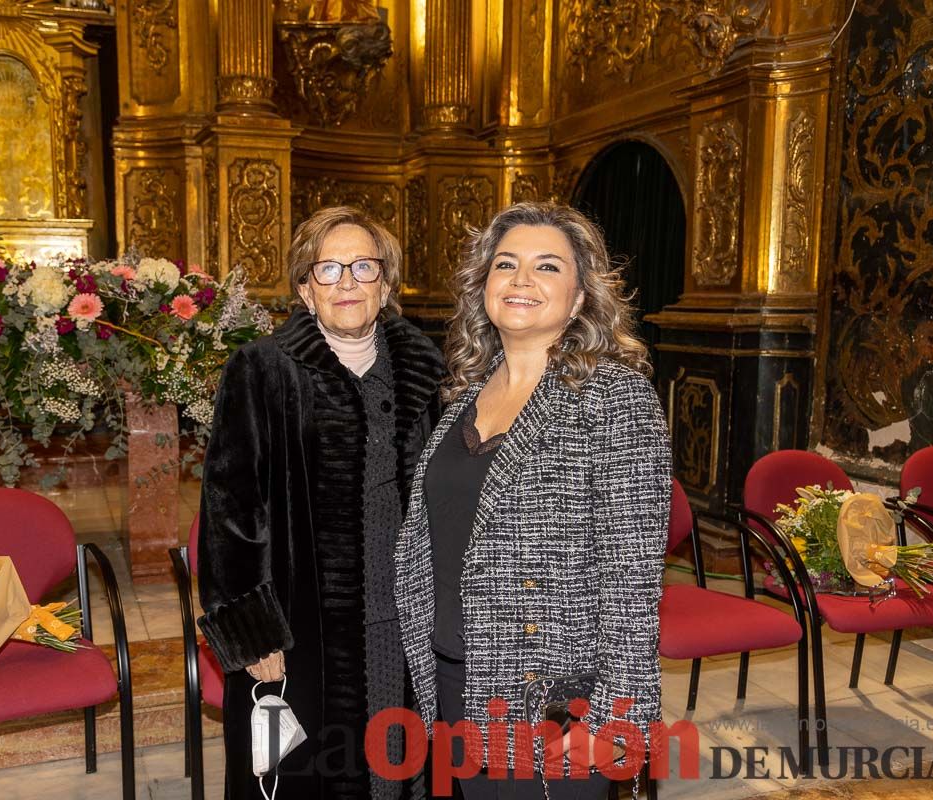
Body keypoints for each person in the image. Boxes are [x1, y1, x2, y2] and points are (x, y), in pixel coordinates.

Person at [394, 202, 672, 799]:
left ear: (578, 298)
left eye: (547, 266)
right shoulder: (465, 393)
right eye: (505, 264)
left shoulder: (615, 398)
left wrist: (615, 717)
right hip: (454, 676)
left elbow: (634, 579)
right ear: (483, 288)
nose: (521, 279)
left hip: (555, 705)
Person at [198, 206, 444, 799]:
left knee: (399, 764)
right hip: (302, 624)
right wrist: (253, 634)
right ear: (305, 289)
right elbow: (228, 513)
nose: (348, 282)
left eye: (363, 266)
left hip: (408, 612)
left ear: (386, 283)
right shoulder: (261, 369)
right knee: (312, 774)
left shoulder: (428, 364)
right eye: (328, 269)